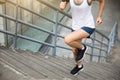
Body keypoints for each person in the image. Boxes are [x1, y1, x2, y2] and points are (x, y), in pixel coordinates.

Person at [60, 0, 105, 76]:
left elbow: (102, 1)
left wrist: (99, 16)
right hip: (76, 26)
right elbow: (62, 6)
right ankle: (79, 66)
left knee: (67, 39)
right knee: (74, 50)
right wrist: (63, 2)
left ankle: (83, 47)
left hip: (88, 26)